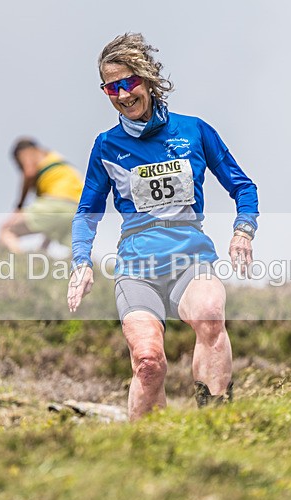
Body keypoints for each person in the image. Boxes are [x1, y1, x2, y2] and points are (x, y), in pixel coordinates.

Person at [67, 33, 259, 421]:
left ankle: (217, 425)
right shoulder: (107, 146)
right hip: (137, 268)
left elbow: (243, 186)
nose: (122, 95)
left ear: (148, 79)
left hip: (192, 259)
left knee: (209, 316)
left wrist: (243, 229)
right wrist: (81, 262)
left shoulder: (194, 131)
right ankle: (147, 447)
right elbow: (87, 211)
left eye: (129, 83)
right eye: (111, 88)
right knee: (148, 361)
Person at [0, 138, 84, 254]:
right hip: (77, 208)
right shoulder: (55, 159)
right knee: (77, 252)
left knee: (7, 230)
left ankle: (20, 262)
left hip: (56, 202)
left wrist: (19, 206)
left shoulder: (27, 152)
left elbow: (29, 173)